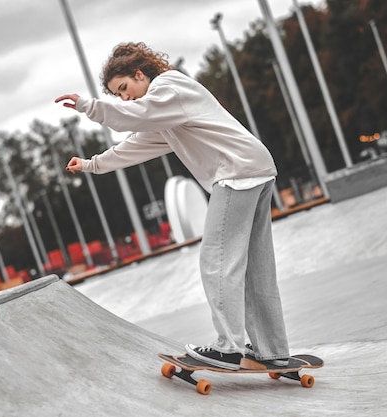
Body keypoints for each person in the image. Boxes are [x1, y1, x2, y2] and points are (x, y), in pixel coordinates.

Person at [55, 42, 289, 370]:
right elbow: (137, 144)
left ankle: (229, 348)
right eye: (117, 96)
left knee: (217, 260)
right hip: (256, 168)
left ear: (140, 74)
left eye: (124, 88)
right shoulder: (168, 113)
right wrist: (93, 164)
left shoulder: (168, 87)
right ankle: (271, 348)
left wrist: (89, 107)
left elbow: (136, 116)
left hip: (236, 173)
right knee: (255, 266)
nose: (125, 99)